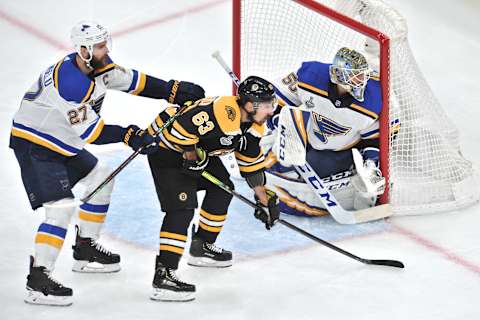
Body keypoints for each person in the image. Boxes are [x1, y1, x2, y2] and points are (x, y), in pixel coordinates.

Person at [9, 20, 205, 306]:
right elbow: (93, 133)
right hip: (36, 144)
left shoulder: (98, 66)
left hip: (61, 139)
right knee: (61, 209)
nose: (106, 50)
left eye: (105, 44)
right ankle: (39, 280)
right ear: (84, 50)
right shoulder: (71, 85)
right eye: (100, 46)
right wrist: (129, 135)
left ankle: (85, 248)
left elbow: (134, 81)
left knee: (101, 178)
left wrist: (171, 90)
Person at [146, 76, 280, 302]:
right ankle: (164, 275)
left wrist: (263, 198)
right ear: (249, 105)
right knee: (182, 210)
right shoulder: (221, 112)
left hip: (199, 153)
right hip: (167, 151)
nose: (270, 110)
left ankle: (202, 245)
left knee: (223, 188)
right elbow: (180, 127)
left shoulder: (254, 127)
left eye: (271, 104)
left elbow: (250, 164)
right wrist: (190, 156)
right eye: (266, 105)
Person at [262, 47, 387, 217]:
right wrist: (279, 122)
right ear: (338, 75)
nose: (361, 81)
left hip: (338, 155)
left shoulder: (372, 100)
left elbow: (372, 141)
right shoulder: (310, 76)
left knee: (298, 189)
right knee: (268, 167)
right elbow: (277, 102)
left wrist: (371, 164)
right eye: (355, 76)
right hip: (304, 139)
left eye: (363, 75)